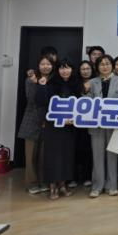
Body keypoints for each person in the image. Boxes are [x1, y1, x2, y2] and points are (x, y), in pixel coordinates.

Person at [36, 59, 81, 200]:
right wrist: (42, 86)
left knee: (67, 155)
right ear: (57, 70)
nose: (65, 71)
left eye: (67, 68)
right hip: (53, 125)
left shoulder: (76, 84)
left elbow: (81, 106)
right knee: (52, 156)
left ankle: (62, 184)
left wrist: (74, 119)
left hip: (70, 126)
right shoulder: (50, 83)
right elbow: (41, 103)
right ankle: (52, 186)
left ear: (72, 70)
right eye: (62, 68)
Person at [88, 55, 118, 198]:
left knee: (112, 155)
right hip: (96, 124)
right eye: (102, 64)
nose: (105, 66)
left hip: (113, 123)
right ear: (97, 67)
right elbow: (87, 102)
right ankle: (97, 186)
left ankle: (112, 185)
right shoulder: (92, 82)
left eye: (107, 63)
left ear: (112, 66)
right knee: (97, 156)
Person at [17, 55, 53, 194]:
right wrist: (37, 84)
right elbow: (31, 99)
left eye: (48, 64)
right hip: (32, 121)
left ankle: (43, 181)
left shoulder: (54, 80)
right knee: (31, 155)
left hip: (48, 121)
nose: (45, 66)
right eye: (42, 64)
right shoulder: (31, 79)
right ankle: (31, 183)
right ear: (38, 66)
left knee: (44, 155)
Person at [73, 60, 95, 188]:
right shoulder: (75, 83)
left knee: (89, 149)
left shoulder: (96, 82)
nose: (85, 71)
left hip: (92, 121)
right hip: (76, 121)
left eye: (88, 69)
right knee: (76, 149)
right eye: (83, 69)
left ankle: (88, 176)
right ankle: (74, 177)